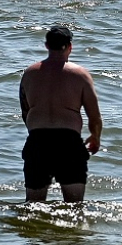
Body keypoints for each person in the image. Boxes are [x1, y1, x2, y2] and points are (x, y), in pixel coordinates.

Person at [18, 24, 102, 204]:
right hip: (68, 143)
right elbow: (94, 116)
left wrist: (39, 136)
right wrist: (95, 137)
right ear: (70, 46)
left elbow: (25, 112)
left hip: (38, 141)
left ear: (46, 45)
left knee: (33, 206)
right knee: (74, 206)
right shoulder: (80, 75)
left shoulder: (29, 74)